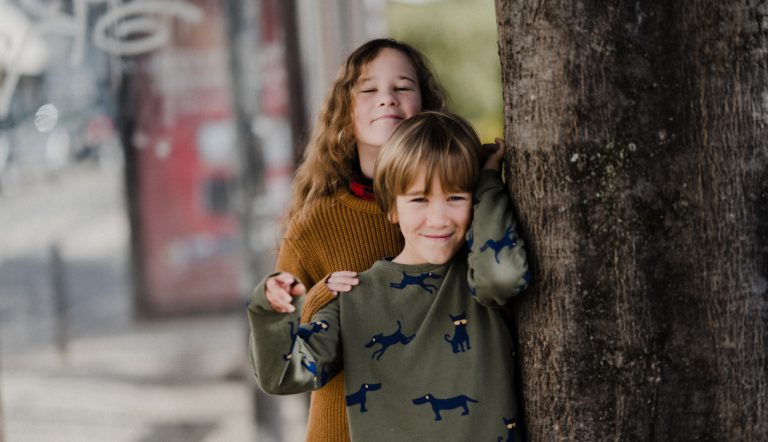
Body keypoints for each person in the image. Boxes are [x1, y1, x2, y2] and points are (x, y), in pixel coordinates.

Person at [248, 111, 530, 441]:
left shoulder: (477, 277)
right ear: (392, 208)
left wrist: (489, 182)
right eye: (419, 200)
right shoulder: (355, 298)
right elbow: (283, 375)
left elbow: (504, 276)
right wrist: (270, 309)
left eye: (456, 197)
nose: (438, 219)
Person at [259, 38, 446, 441]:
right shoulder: (315, 223)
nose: (387, 99)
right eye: (368, 90)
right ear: (344, 115)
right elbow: (284, 349)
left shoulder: (455, 205)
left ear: (426, 106)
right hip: (344, 429)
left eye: (402, 87)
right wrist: (322, 297)